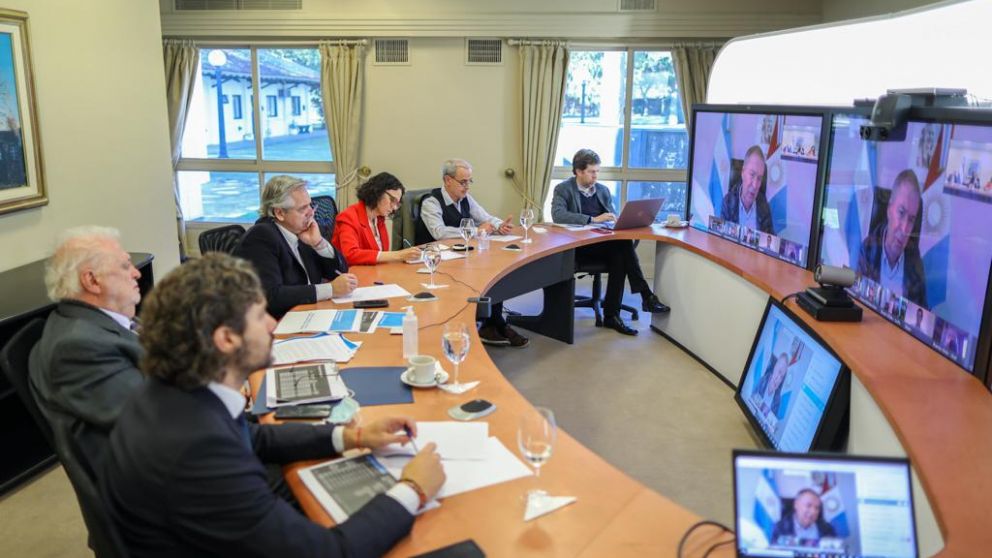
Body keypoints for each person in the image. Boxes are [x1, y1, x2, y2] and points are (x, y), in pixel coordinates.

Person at [100, 254, 445, 557]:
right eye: (260, 315)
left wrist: (352, 437)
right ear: (226, 339)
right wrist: (412, 489)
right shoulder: (196, 450)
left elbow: (254, 437)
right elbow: (329, 552)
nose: (272, 325)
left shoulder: (177, 393)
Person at [28, 226, 143, 464]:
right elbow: (151, 418)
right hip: (161, 475)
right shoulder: (79, 346)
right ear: (91, 281)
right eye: (125, 266)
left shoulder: (102, 321)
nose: (136, 273)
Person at [550, 148, 670, 336]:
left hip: (603, 242)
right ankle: (641, 299)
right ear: (578, 171)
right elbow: (558, 215)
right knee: (622, 248)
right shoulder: (564, 189)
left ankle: (614, 315)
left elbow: (611, 216)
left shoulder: (603, 191)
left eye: (597, 171)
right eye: (592, 171)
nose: (596, 176)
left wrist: (615, 221)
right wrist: (592, 220)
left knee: (620, 252)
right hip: (580, 246)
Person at [416, 159, 529, 348]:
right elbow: (439, 232)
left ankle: (494, 324)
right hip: (437, 260)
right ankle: (491, 325)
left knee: (494, 269)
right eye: (463, 182)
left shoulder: (466, 198)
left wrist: (499, 225)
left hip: (462, 255)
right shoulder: (431, 202)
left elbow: (484, 217)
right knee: (485, 271)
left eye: (469, 181)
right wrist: (478, 231)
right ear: (447, 180)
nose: (467, 186)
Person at [234, 175, 358, 318]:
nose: (311, 212)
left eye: (311, 205)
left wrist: (318, 243)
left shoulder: (300, 232)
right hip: (279, 324)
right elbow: (271, 296)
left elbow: (339, 271)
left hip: (309, 313)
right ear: (279, 213)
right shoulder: (261, 237)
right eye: (302, 208)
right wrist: (330, 289)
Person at [856, 169, 928, 308]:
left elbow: (921, 315)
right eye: (901, 213)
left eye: (912, 220)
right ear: (889, 209)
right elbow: (855, 303)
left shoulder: (915, 265)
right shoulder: (868, 251)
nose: (905, 228)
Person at [332, 172, 422, 265]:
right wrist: (398, 255)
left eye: (397, 203)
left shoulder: (379, 218)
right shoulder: (348, 217)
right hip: (351, 275)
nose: (394, 207)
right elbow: (350, 254)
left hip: (373, 272)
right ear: (377, 192)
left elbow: (379, 255)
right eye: (392, 200)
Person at [720, 145, 773, 234]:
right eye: (752, 175)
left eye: (759, 178)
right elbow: (720, 240)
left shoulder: (764, 207)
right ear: (743, 172)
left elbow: (770, 241)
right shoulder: (728, 203)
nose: (755, 185)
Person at [771, 489, 837, 546]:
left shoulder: (827, 529)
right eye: (808, 506)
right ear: (796, 505)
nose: (813, 512)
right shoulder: (780, 529)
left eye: (817, 508)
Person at [752, 353, 788, 419]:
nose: (778, 379)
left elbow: (771, 422)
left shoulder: (777, 400)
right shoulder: (762, 381)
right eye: (779, 372)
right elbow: (751, 402)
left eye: (782, 377)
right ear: (774, 368)